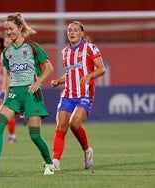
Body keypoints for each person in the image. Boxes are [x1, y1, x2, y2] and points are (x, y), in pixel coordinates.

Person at [0, 12, 55, 175]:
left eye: (11, 28)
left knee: (34, 136)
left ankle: (49, 163)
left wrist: (38, 82)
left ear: (20, 28)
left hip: (31, 93)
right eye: (6, 29)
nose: (9, 32)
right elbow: (9, 75)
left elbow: (49, 68)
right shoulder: (7, 52)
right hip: (14, 94)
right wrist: (6, 95)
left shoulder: (32, 47)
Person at [50, 21, 105, 171]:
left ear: (82, 33)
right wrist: (58, 81)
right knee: (61, 125)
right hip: (67, 93)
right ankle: (55, 161)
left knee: (74, 124)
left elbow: (102, 69)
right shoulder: (65, 52)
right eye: (69, 30)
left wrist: (90, 76)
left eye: (75, 30)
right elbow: (69, 73)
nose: (72, 32)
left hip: (84, 93)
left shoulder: (89, 47)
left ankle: (87, 150)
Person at [0, 32, 17, 143]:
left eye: (9, 42)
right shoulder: (3, 54)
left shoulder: (15, 53)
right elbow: (4, 64)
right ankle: (15, 119)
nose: (7, 44)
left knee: (4, 109)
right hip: (5, 83)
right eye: (5, 42)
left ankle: (12, 135)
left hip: (12, 83)